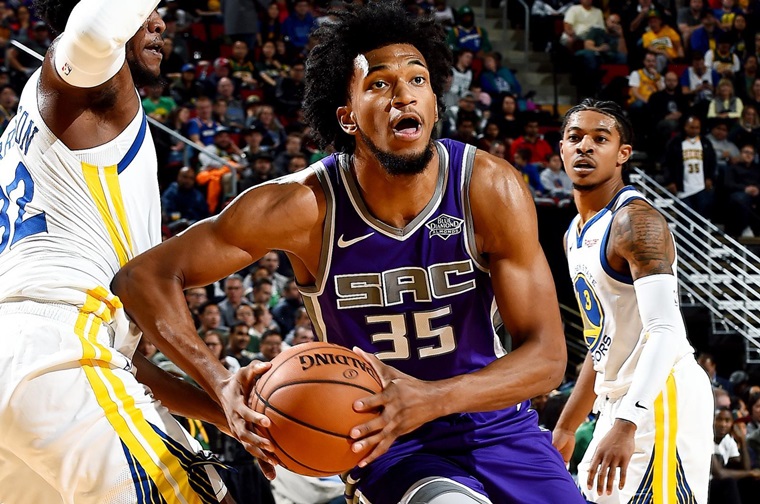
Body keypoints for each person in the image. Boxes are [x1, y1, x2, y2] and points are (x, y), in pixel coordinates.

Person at [113, 2, 584, 502]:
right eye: (379, 84)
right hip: (381, 441)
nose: (404, 94)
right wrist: (220, 385)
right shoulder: (302, 207)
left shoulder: (486, 187)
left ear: (434, 104)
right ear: (348, 116)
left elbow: (547, 358)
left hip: (499, 428)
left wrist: (432, 398)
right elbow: (142, 279)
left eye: (418, 79)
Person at [0, 1, 234, 502]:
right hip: (59, 357)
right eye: (147, 9)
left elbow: (117, 359)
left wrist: (224, 415)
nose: (159, 21)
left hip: (40, 365)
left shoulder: (33, 133)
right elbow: (92, 33)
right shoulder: (87, 90)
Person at [551, 99, 714, 503]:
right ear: (561, 149)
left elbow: (666, 331)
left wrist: (627, 423)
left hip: (659, 396)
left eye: (599, 139)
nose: (585, 146)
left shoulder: (635, 220)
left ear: (623, 153)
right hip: (617, 402)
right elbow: (601, 344)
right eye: (575, 137)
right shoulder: (574, 233)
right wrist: (567, 427)